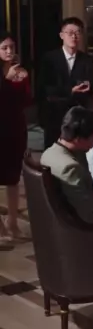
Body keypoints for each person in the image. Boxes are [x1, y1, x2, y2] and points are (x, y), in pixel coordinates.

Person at [38, 17, 93, 149]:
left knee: (79, 151)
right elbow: (44, 88)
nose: (73, 36)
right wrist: (70, 90)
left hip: (79, 115)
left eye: (77, 32)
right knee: (53, 151)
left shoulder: (87, 60)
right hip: (55, 113)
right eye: (70, 32)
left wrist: (89, 86)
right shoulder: (49, 59)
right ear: (61, 35)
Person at [0, 32, 31, 246]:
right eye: (4, 48)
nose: (9, 51)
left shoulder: (18, 70)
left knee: (13, 178)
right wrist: (6, 80)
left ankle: (12, 222)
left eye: (11, 47)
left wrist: (23, 81)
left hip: (15, 128)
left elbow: (27, 101)